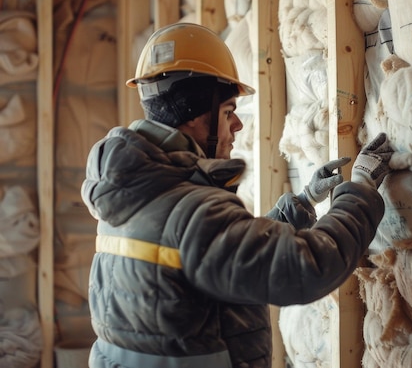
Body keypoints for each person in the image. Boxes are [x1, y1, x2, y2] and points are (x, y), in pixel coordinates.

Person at [81, 22, 393, 368]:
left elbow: (216, 254)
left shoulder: (132, 194)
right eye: (229, 112)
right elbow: (307, 268)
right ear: (195, 116)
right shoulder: (191, 209)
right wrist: (360, 193)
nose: (238, 126)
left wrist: (302, 203)